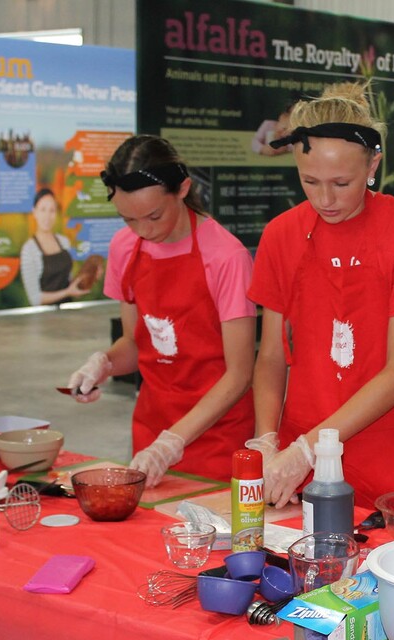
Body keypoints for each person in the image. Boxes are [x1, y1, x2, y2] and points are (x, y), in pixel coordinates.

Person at [247, 81, 394, 509]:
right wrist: (269, 440)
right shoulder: (281, 235)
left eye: (342, 182)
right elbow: (270, 355)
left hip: (387, 451)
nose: (325, 199)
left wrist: (310, 448)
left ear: (373, 163)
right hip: (298, 454)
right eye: (310, 181)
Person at [66, 135, 255, 486]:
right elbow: (137, 345)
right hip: (151, 435)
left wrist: (174, 441)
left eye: (154, 216)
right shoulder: (125, 248)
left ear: (182, 189)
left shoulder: (226, 257)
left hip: (218, 438)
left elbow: (240, 374)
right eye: (129, 219)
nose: (143, 231)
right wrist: (103, 364)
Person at [20, 188, 88, 306]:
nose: (47, 216)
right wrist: (67, 292)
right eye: (43, 210)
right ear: (34, 212)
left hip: (68, 313)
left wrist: (86, 278)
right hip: (44, 318)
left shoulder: (64, 241)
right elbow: (35, 299)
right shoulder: (29, 250)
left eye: (52, 210)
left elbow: (68, 280)